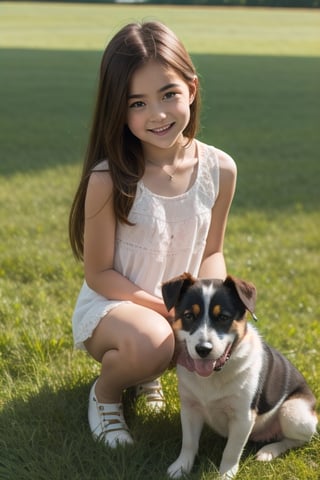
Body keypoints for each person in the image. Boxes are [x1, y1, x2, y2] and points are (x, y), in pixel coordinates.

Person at [69, 20, 237, 448]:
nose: (158, 114)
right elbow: (99, 274)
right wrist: (169, 311)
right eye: (137, 103)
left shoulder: (219, 169)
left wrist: (208, 301)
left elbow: (212, 250)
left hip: (172, 308)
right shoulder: (109, 179)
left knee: (200, 341)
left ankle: (148, 371)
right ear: (117, 110)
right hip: (113, 308)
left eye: (169, 94)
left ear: (192, 90)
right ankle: (106, 394)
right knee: (153, 340)